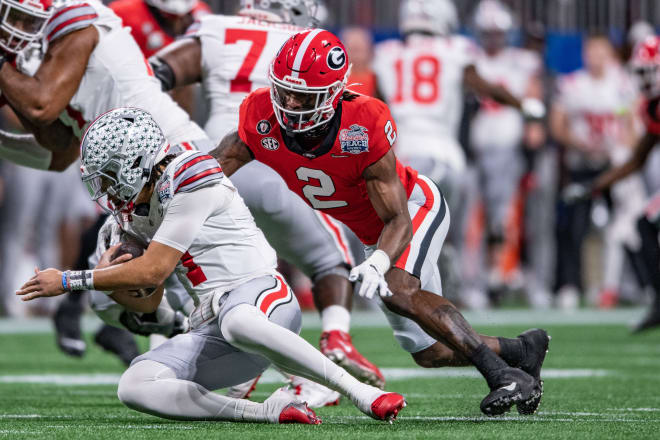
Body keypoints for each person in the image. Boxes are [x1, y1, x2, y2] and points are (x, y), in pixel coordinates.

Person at [212, 28, 550, 416]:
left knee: (398, 288)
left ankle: (504, 376)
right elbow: (214, 165)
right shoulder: (260, 116)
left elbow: (398, 218)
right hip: (377, 232)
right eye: (283, 90)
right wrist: (165, 187)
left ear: (332, 94)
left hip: (413, 208)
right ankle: (523, 350)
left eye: (301, 94)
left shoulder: (362, 122)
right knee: (431, 352)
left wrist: (378, 260)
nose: (289, 102)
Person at [15, 107, 406, 424]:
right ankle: (263, 412)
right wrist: (111, 281)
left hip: (266, 300)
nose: (107, 189)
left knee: (237, 319)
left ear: (136, 162)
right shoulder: (134, 211)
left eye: (111, 176)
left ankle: (361, 392)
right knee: (135, 384)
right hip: (213, 326)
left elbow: (153, 269)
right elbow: (149, 300)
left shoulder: (188, 176)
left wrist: (71, 280)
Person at [150, 0, 385, 402]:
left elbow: (154, 75)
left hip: (211, 161)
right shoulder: (302, 45)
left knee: (182, 261)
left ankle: (172, 344)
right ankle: (335, 336)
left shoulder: (214, 28)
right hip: (275, 162)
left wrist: (179, 132)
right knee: (329, 260)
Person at [0, 0, 209, 359]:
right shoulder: (42, 48)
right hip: (135, 170)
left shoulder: (77, 18)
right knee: (109, 296)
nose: (18, 26)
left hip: (169, 158)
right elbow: (60, 149)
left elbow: (40, 106)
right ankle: (171, 330)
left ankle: (272, 364)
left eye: (26, 17)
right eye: (15, 16)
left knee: (202, 281)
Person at [372, 0, 544, 309]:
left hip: (402, 155)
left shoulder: (387, 54)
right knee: (445, 229)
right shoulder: (455, 50)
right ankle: (448, 289)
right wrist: (524, 106)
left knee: (395, 224)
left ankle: (398, 290)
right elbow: (483, 86)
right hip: (443, 155)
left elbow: (376, 107)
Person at [572, 36, 660, 331]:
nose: (647, 79)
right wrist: (594, 185)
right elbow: (637, 160)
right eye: (643, 71)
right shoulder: (653, 108)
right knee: (645, 224)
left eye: (653, 71)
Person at [550, 34, 642, 309]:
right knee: (573, 226)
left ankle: (624, 285)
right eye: (592, 52)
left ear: (609, 54)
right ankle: (569, 285)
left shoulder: (622, 83)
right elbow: (558, 124)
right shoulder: (574, 84)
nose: (597, 58)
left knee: (625, 226)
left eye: (602, 52)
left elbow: (631, 124)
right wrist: (579, 142)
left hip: (612, 166)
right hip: (581, 166)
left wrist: (621, 151)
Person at [468, 0, 548, 304]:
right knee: (472, 220)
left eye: (496, 33)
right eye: (487, 33)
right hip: (474, 148)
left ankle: (504, 275)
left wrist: (533, 131)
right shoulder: (470, 59)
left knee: (508, 217)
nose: (492, 38)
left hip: (509, 147)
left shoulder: (520, 62)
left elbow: (533, 97)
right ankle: (475, 282)